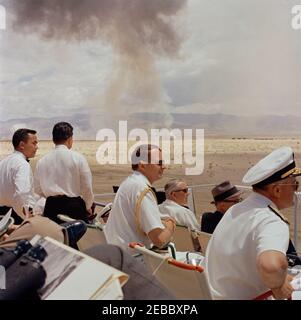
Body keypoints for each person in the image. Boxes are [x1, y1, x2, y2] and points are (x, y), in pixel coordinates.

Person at [205, 146, 300, 300]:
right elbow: (270, 266)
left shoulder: (235, 209)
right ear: (277, 190)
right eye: (294, 185)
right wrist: (279, 285)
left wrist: (282, 278)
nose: (295, 191)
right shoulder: (271, 220)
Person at [104, 144, 176, 252]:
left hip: (115, 251)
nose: (164, 166)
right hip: (132, 259)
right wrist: (171, 225)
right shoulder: (143, 189)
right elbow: (159, 240)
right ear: (142, 165)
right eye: (159, 163)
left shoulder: (128, 182)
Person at [34, 122, 94, 224]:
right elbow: (87, 187)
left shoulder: (42, 161)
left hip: (51, 208)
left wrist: (52, 197)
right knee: (76, 238)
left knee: (53, 238)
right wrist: (87, 206)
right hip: (74, 208)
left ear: (53, 139)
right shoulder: (78, 158)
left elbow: (37, 189)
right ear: (70, 138)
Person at [0, 128, 38, 224]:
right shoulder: (22, 164)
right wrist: (26, 216)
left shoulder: (3, 162)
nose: (36, 147)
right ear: (22, 145)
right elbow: (22, 193)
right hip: (16, 215)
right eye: (34, 143)